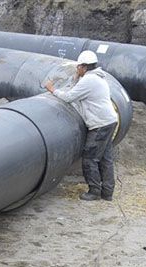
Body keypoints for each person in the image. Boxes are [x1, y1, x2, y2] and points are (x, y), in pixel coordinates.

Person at [44, 50, 119, 201]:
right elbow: (79, 91)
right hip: (109, 121)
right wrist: (77, 78)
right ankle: (107, 192)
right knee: (105, 158)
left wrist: (52, 90)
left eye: (78, 67)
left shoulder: (89, 81)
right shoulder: (97, 78)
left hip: (100, 125)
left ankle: (94, 192)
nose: (77, 69)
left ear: (84, 67)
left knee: (90, 158)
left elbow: (69, 96)